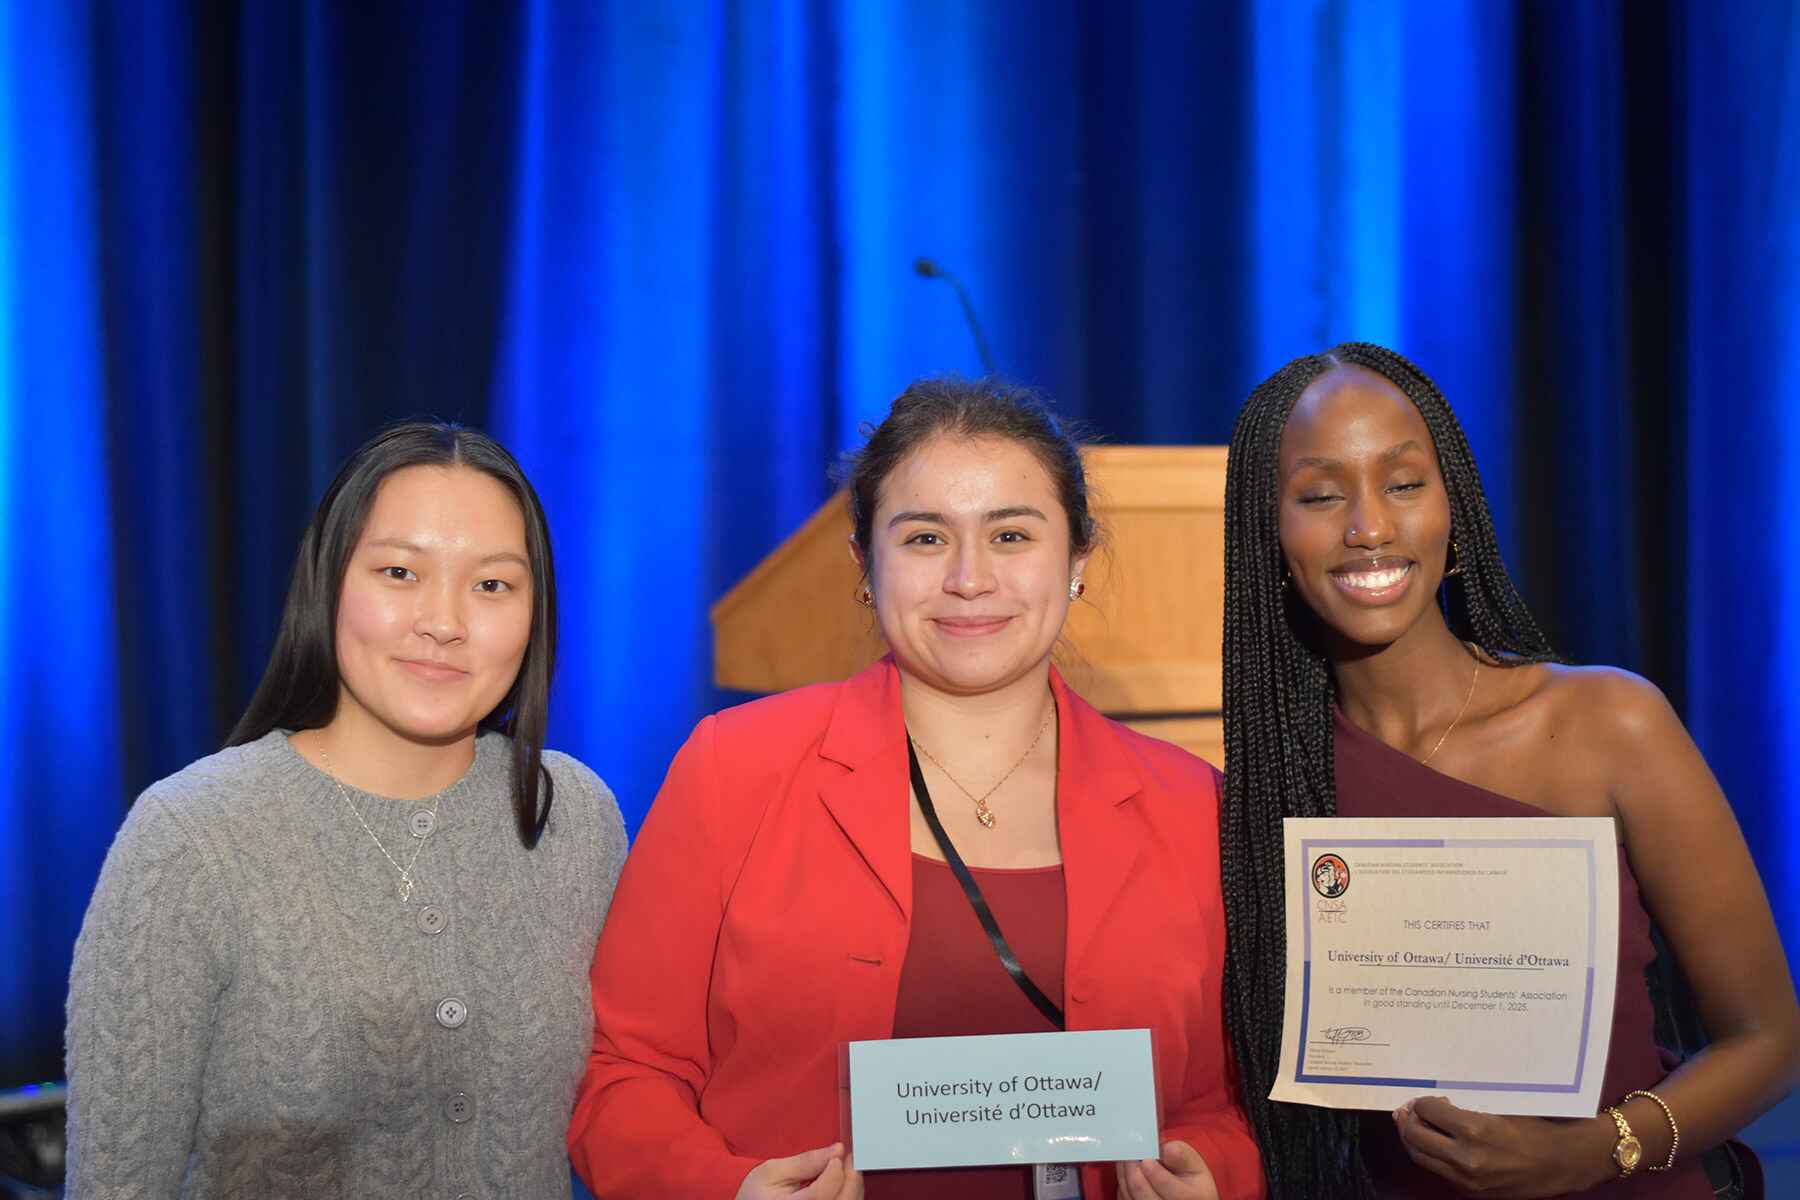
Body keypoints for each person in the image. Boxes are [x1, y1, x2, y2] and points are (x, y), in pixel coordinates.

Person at [568, 377, 1264, 1200]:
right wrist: (722, 1190)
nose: (970, 578)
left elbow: (1234, 1102)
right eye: (926, 538)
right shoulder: (733, 769)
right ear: (866, 563)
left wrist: (1218, 1174)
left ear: (1078, 559)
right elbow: (623, 1074)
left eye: (1011, 535)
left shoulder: (1193, 804)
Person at [1217, 343, 1800, 1198]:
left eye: (1405, 483)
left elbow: (1771, 1041)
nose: (1369, 525)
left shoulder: (1608, 724)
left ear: (1455, 509)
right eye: (1320, 495)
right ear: (1271, 535)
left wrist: (1592, 1152)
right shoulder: (1270, 793)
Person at [65, 422, 628, 1199]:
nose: (444, 621)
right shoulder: (192, 837)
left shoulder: (578, 817)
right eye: (401, 572)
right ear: (328, 582)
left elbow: (634, 1093)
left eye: (492, 584)